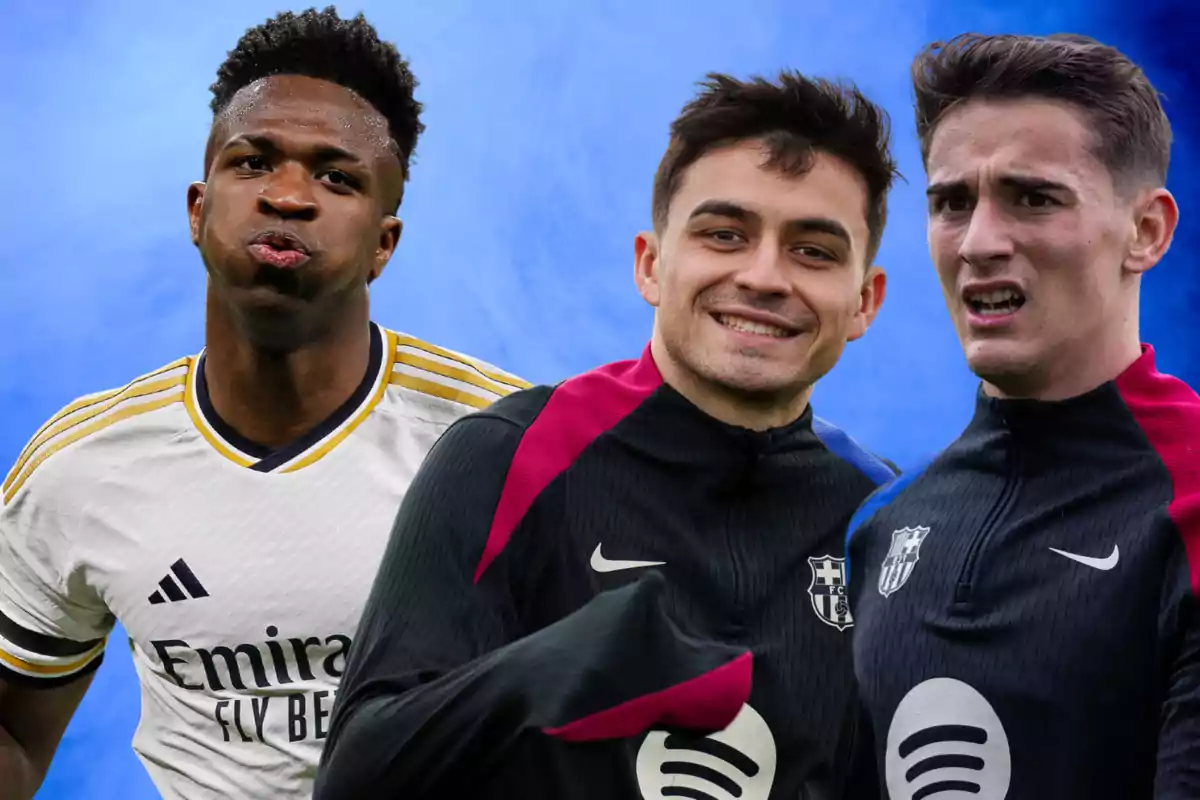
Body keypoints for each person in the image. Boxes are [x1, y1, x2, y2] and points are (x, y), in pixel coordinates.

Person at [315, 70, 900, 800]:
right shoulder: (508, 455)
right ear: (651, 265)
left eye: (813, 251)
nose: (764, 276)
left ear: (864, 302)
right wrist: (577, 658)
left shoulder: (890, 522)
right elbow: (358, 775)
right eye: (725, 234)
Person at [0, 8, 528, 800]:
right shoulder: (81, 467)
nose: (287, 195)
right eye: (253, 163)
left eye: (336, 176)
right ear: (197, 209)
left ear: (385, 243)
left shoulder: (508, 445)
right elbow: (13, 732)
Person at [847, 32, 1200, 799]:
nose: (978, 242)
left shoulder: (1191, 505)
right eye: (951, 203)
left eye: (1033, 197)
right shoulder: (882, 525)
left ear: (1148, 231)